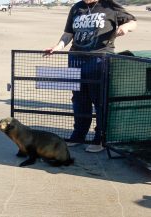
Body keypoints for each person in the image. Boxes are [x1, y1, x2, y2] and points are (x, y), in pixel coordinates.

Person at [45, 0, 137, 152]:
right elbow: (68, 33)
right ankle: (78, 134)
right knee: (79, 98)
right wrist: (58, 46)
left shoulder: (109, 5)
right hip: (75, 57)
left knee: (98, 99)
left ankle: (99, 138)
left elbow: (133, 22)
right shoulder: (77, 7)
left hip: (99, 58)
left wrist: (125, 27)